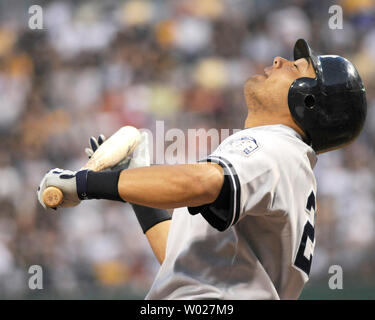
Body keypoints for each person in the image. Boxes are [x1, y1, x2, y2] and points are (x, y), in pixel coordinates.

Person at [37, 39, 367, 299]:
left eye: (295, 68)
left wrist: (85, 183)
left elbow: (202, 181)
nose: (279, 62)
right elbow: (178, 259)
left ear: (307, 101)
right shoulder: (283, 160)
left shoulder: (278, 145)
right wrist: (135, 174)